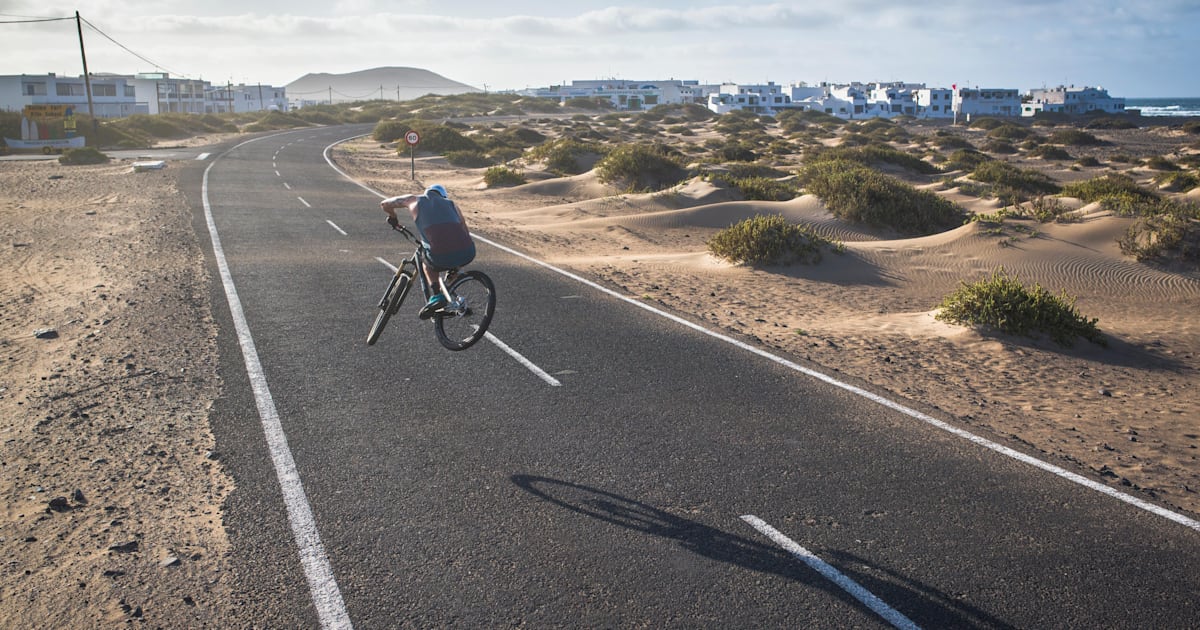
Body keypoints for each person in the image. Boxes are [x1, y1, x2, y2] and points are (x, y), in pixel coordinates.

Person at [380, 184, 476, 319]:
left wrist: (393, 217)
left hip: (440, 256)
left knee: (427, 263)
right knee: (455, 255)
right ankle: (450, 283)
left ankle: (437, 295)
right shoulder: (452, 205)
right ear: (443, 196)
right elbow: (464, 230)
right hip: (468, 252)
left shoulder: (413, 200)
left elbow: (384, 204)